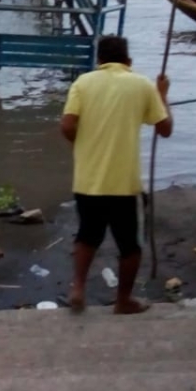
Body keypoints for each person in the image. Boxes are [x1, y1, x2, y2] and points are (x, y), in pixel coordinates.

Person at [60, 36, 173, 314]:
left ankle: (78, 288)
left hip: (88, 180)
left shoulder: (82, 84)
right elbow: (165, 128)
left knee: (87, 235)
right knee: (130, 245)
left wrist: (83, 143)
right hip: (124, 183)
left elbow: (66, 125)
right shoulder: (142, 85)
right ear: (129, 61)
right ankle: (123, 300)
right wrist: (162, 95)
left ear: (99, 61)